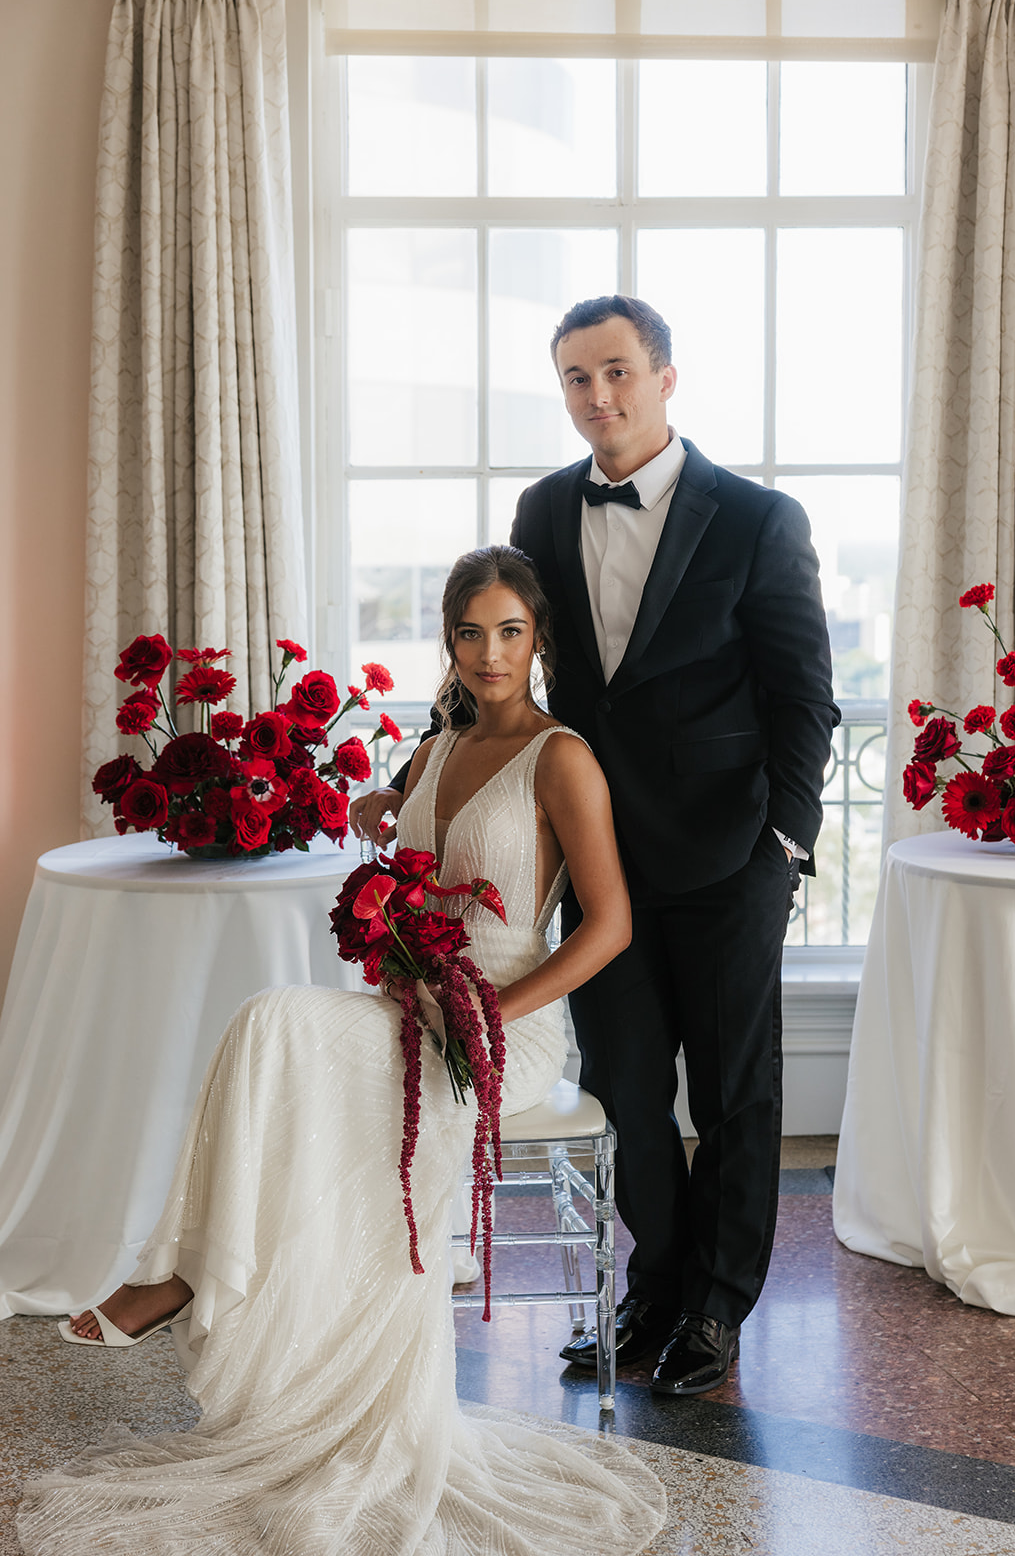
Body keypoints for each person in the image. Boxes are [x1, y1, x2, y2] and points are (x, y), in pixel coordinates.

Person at [18, 547, 666, 1556]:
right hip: (416, 1004)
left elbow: (609, 923)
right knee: (269, 1023)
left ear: (537, 638)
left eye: (508, 631)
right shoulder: (438, 745)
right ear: (446, 641)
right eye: (468, 631)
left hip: (509, 1021)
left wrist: (493, 1009)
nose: (488, 653)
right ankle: (202, 1277)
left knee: (278, 1025)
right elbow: (409, 842)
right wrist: (383, 817)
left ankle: (192, 1277)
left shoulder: (561, 756)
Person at [353, 296, 839, 1398]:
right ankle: (650, 1292)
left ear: (664, 375)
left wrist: (784, 843)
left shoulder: (758, 519)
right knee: (625, 1083)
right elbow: (498, 664)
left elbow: (801, 696)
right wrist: (413, 771)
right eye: (575, 378)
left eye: (615, 371)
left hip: (729, 856)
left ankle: (715, 1309)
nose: (597, 397)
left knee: (731, 1093)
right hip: (595, 856)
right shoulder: (539, 505)